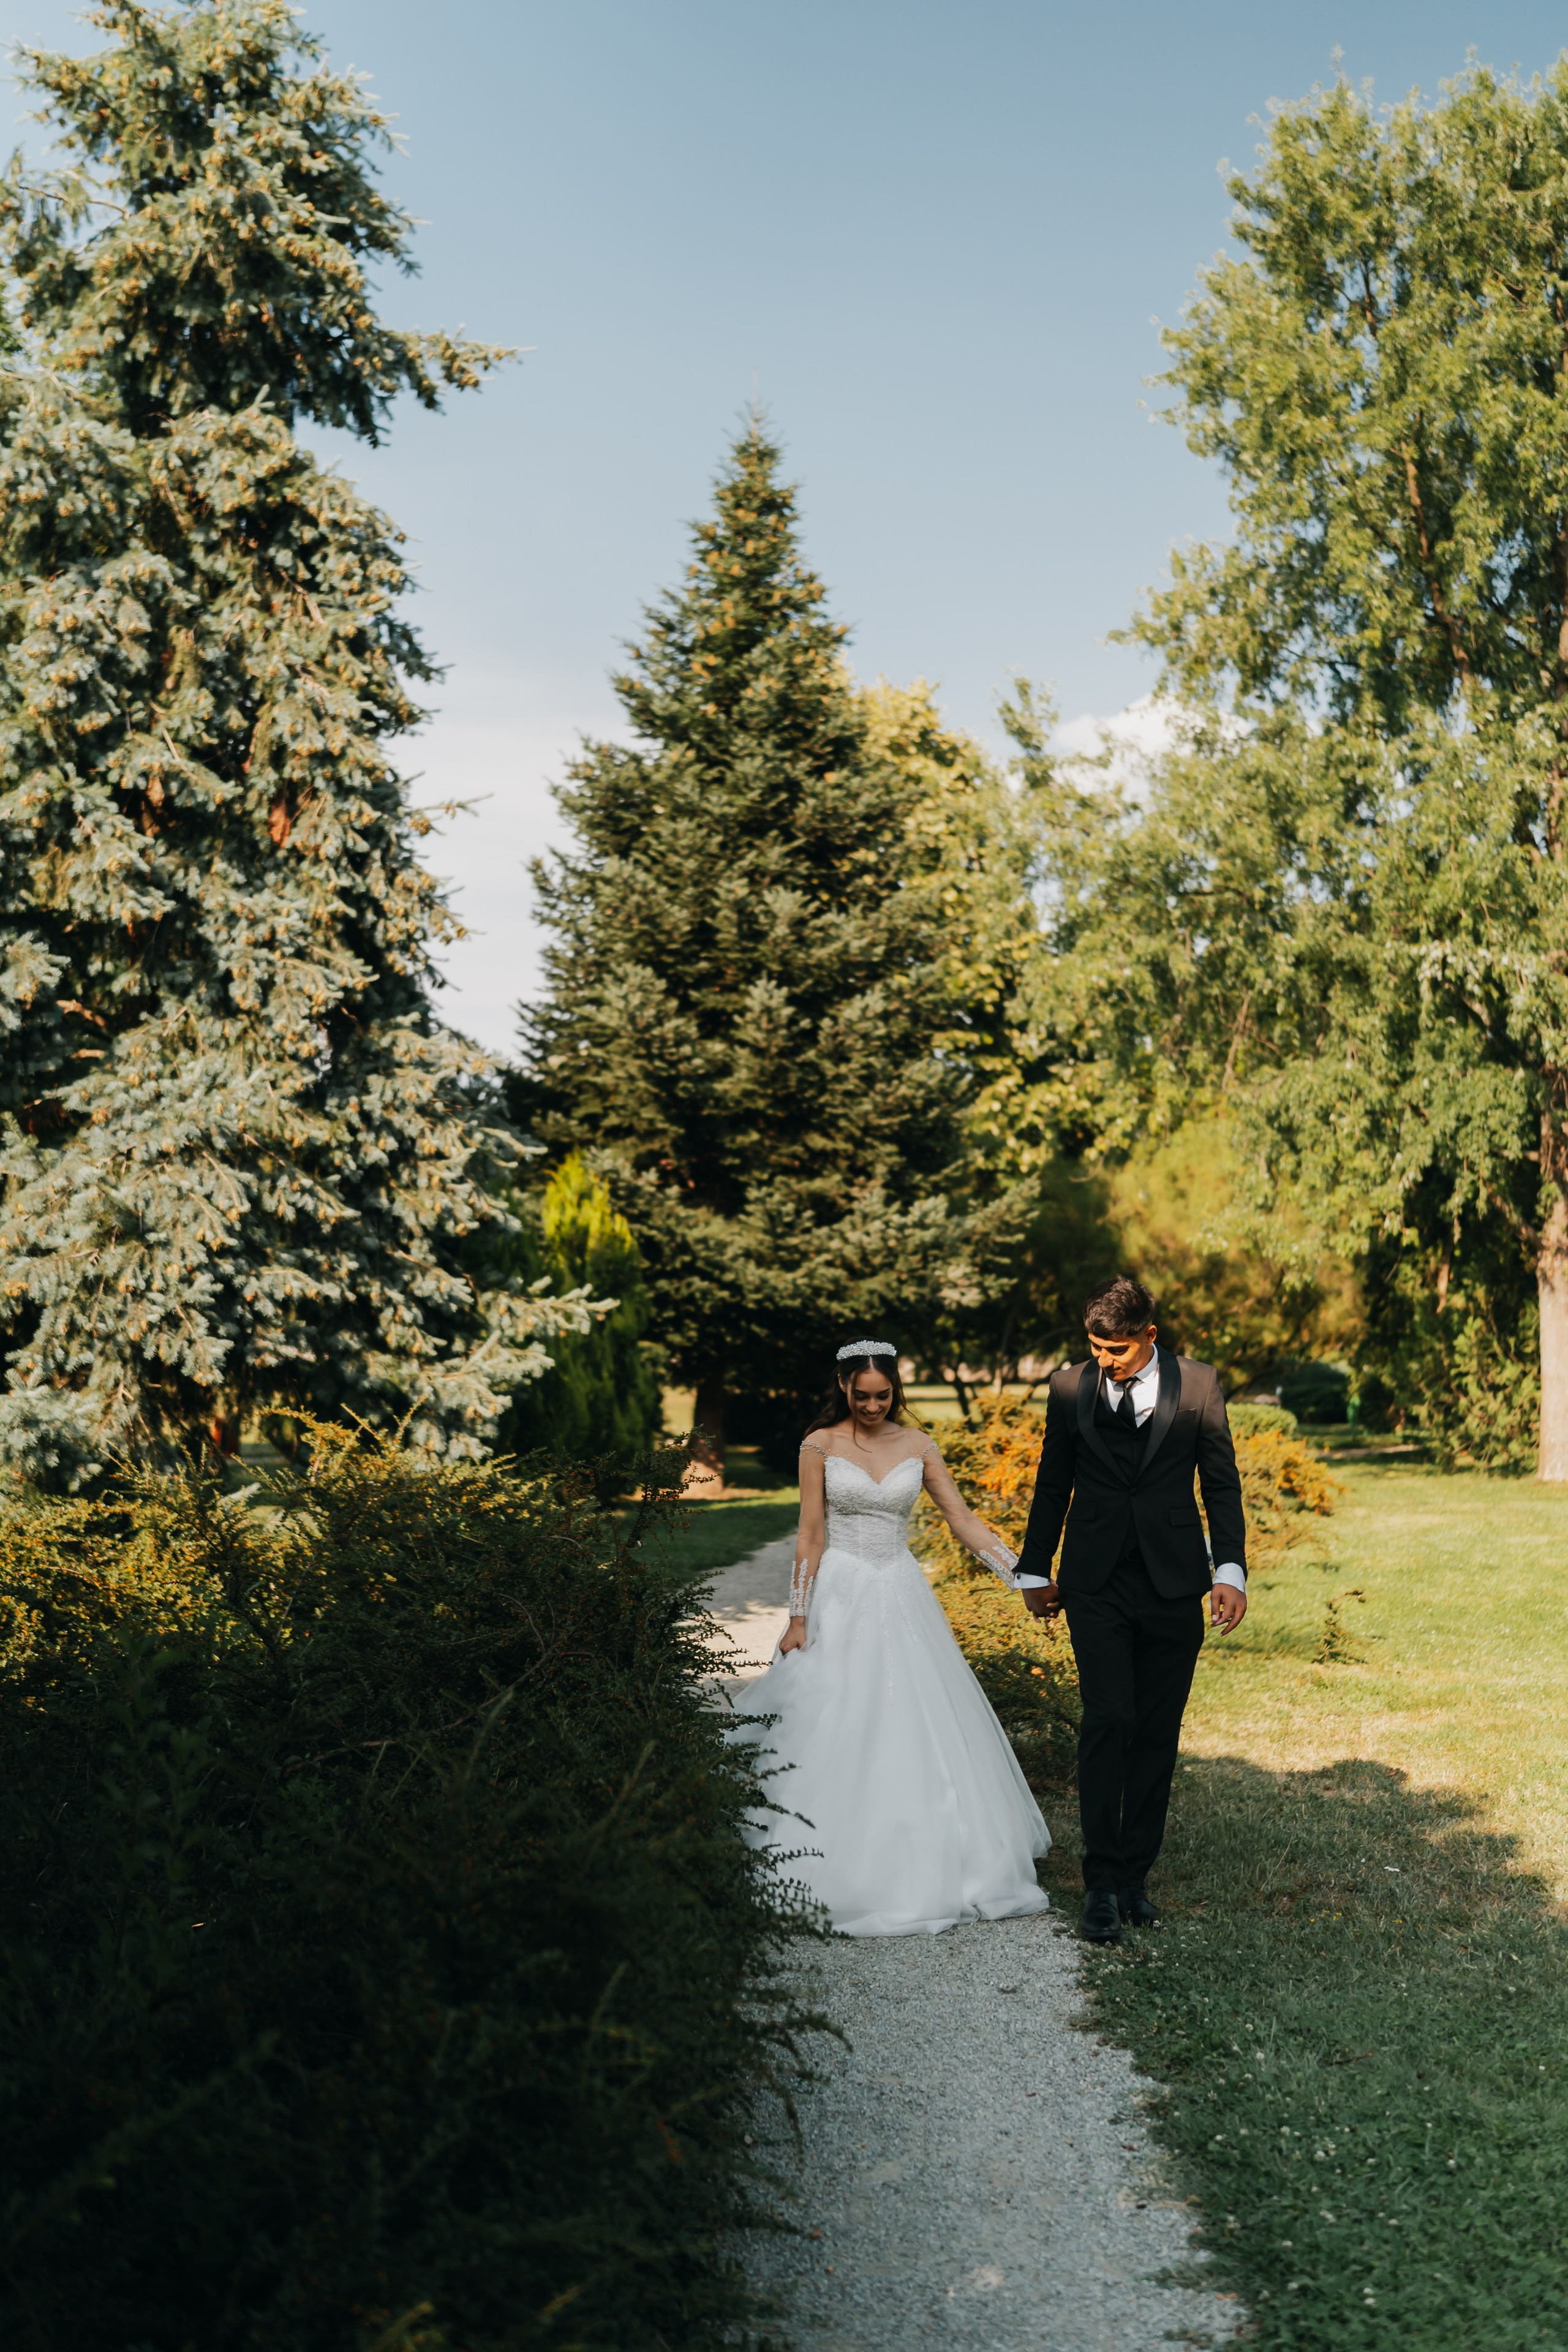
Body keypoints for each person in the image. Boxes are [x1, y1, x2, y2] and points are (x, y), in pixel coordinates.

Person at [729, 1339, 1050, 1937]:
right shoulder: (819, 1444)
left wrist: (1023, 1578)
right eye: (862, 1396)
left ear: (894, 1390)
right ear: (843, 1387)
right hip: (841, 1590)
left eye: (883, 1396)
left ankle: (939, 1852)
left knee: (916, 1713)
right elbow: (810, 1534)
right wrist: (797, 1616)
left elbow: (961, 1518)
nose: (873, 1406)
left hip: (900, 1590)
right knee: (834, 1713)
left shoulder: (918, 1445)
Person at [1014, 1275, 1247, 1946]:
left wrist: (1229, 1571)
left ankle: (1133, 1879)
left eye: (1116, 1349)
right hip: (1094, 1581)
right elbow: (1052, 1481)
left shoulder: (1198, 1384)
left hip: (1174, 1582)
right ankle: (1099, 1883)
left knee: (1155, 1731)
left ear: (1149, 1334)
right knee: (1108, 1717)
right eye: (1095, 1347)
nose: (1104, 1360)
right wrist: (1034, 1569)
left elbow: (1221, 1483)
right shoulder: (1069, 1387)